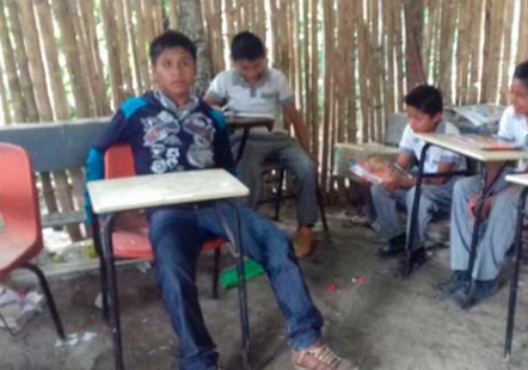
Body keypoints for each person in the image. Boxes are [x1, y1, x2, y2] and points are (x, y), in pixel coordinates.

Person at [85, 31, 355, 370]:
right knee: (172, 269)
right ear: (155, 69)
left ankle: (307, 344)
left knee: (275, 242)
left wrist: (235, 220)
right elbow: (97, 155)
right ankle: (199, 360)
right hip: (167, 212)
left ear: (196, 68)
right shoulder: (135, 111)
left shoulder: (211, 117)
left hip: (217, 207)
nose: (177, 72)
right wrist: (99, 215)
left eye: (185, 64)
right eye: (167, 64)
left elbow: (226, 170)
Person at [438, 60, 528, 310]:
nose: (513, 100)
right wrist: (484, 191)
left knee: (507, 201)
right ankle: (463, 270)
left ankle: (484, 279)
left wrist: (493, 198)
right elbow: (498, 155)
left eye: (521, 95)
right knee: (463, 189)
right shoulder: (511, 114)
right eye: (511, 92)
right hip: (520, 175)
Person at [204, 31, 318, 258]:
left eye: (257, 66)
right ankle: (247, 229)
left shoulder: (277, 79)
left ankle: (305, 228)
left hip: (277, 138)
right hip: (245, 139)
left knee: (306, 167)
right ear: (234, 62)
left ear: (265, 56)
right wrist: (216, 112)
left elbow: (294, 117)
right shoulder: (224, 80)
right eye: (245, 68)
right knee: (246, 170)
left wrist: (308, 150)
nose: (253, 73)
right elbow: (205, 107)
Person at [370, 85, 462, 270]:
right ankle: (396, 239)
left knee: (416, 194)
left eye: (418, 118)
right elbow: (401, 164)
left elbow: (439, 180)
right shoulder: (412, 129)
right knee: (379, 189)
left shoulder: (450, 135)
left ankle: (415, 249)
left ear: (436, 116)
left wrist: (402, 182)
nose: (411, 123)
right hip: (420, 182)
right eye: (409, 116)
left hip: (447, 190)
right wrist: (381, 176)